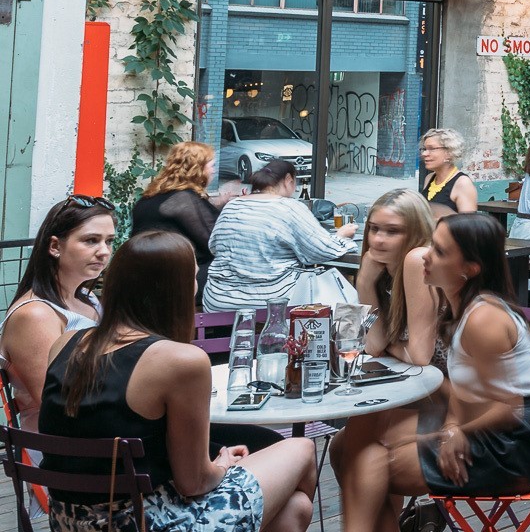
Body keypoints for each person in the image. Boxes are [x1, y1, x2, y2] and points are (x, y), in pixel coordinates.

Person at [40, 231, 318, 532]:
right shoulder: (179, 360)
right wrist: (223, 463)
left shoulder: (66, 342)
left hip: (69, 521)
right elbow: (194, 483)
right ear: (177, 290)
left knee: (295, 509)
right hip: (149, 520)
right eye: (194, 279)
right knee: (301, 448)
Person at [331, 215, 530, 532]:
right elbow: (467, 391)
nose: (426, 255)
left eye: (441, 251)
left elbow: (509, 406)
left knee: (368, 458)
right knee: (346, 444)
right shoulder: (464, 308)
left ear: (469, 269)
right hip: (485, 426)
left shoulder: (484, 318)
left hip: (510, 448)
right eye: (432, 243)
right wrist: (449, 424)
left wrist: (455, 431)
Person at [0, 197, 113, 433]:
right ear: (54, 246)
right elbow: (57, 407)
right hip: (57, 450)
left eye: (109, 241)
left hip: (98, 428)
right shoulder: (35, 315)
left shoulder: (87, 297)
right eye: (91, 240)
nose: (103, 252)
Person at [203, 160, 358, 311]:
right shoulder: (289, 207)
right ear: (288, 180)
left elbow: (214, 247)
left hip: (218, 300)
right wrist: (341, 236)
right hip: (269, 303)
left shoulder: (232, 205)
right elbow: (321, 250)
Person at [356, 189, 439, 367]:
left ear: (417, 233)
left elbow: (419, 356)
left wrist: (388, 347)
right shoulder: (381, 270)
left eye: (393, 231)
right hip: (420, 377)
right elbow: (374, 344)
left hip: (452, 385)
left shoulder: (418, 259)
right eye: (374, 228)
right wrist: (365, 283)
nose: (378, 239)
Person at [132, 142, 220, 299]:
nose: (213, 170)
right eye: (211, 165)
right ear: (198, 168)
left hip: (143, 275)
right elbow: (214, 243)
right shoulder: (183, 199)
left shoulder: (151, 197)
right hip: (174, 280)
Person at [420, 128, 478, 218]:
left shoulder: (463, 183)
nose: (424, 154)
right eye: (424, 149)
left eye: (431, 149)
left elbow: (469, 226)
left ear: (449, 152)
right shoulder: (429, 178)